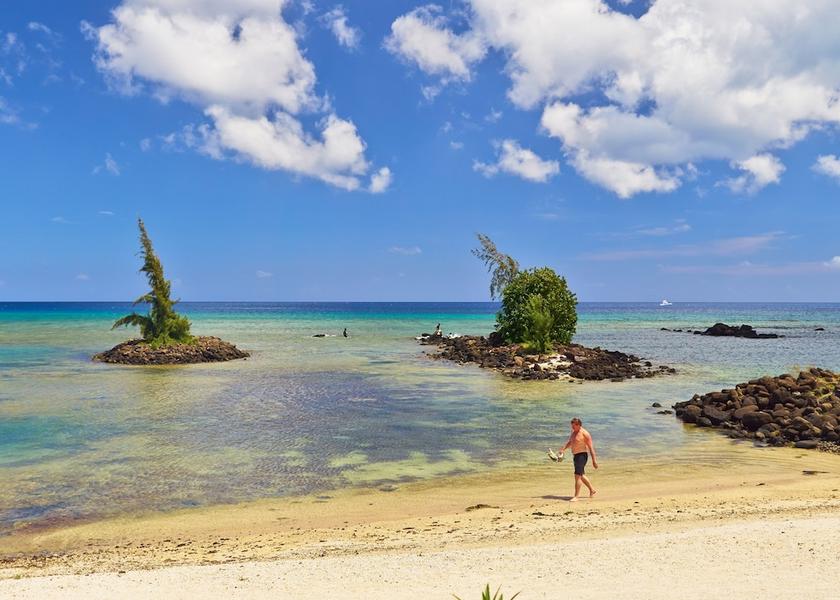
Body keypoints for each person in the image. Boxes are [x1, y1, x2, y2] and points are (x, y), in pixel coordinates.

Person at [559, 417, 598, 501]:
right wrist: (563, 448)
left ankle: (576, 496)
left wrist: (594, 461)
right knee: (581, 475)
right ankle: (592, 490)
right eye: (571, 426)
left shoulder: (585, 433)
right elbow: (571, 442)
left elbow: (591, 448)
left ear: (579, 425)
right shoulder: (573, 432)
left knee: (577, 476)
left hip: (582, 456)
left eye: (573, 426)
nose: (572, 428)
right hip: (576, 456)